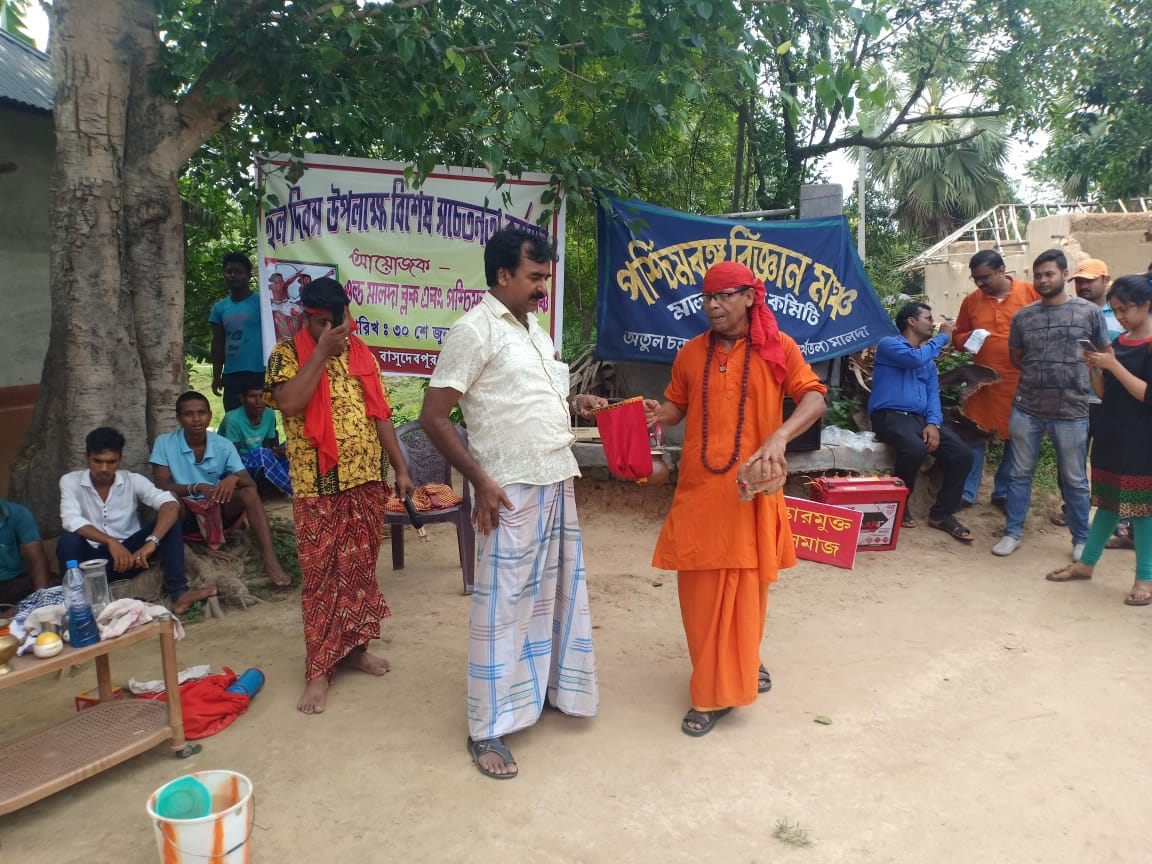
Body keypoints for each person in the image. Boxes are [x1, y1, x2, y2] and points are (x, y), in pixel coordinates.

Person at [420, 227, 605, 778]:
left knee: (551, 596)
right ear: (502, 275)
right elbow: (434, 416)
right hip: (507, 489)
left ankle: (542, 693)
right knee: (502, 608)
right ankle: (488, 729)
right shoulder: (473, 331)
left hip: (554, 480)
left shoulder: (535, 332)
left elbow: (523, 396)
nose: (542, 288)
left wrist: (576, 402)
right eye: (534, 277)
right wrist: (478, 479)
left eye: (545, 277)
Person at [643, 261, 827, 737]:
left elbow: (814, 398)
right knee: (700, 597)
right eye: (708, 298)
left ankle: (717, 694)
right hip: (700, 494)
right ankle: (736, 663)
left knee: (746, 595)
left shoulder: (777, 348)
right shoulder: (689, 354)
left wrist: (780, 437)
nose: (714, 306)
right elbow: (677, 408)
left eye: (724, 296)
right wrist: (655, 412)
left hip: (751, 492)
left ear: (750, 297)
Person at [266, 277, 414, 715]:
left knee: (359, 575)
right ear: (306, 317)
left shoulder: (362, 353)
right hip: (318, 487)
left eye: (340, 321)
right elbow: (289, 403)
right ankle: (318, 671)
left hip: (366, 482)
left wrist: (401, 469)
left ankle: (354, 650)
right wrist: (320, 356)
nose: (335, 329)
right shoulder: (286, 355)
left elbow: (381, 416)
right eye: (323, 323)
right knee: (321, 581)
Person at [1043, 275, 1152, 604]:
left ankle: (1145, 580)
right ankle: (1086, 565)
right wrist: (1095, 368)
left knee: (1143, 511)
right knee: (1107, 503)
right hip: (1111, 434)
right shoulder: (1119, 344)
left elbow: (1147, 395)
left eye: (1126, 310)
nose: (1120, 317)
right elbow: (1106, 393)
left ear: (1147, 305)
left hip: (1141, 440)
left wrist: (1113, 366)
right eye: (1116, 310)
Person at [993, 249, 1109, 559]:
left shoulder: (1089, 313)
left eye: (1050, 274)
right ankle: (1013, 532)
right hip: (1027, 407)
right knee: (1019, 474)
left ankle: (1081, 539)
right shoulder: (1024, 316)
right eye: (1038, 275)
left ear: (1064, 275)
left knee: (1074, 478)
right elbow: (1017, 358)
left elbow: (1103, 356)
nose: (1043, 280)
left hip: (1072, 410)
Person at [58, 427, 216, 615]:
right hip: (91, 563)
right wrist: (111, 542)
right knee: (68, 541)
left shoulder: (132, 480)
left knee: (170, 518)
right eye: (97, 461)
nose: (104, 468)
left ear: (120, 460)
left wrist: (151, 543)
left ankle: (179, 595)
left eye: (111, 462)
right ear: (87, 457)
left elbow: (170, 504)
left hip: (133, 558)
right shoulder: (70, 481)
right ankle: (78, 607)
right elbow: (70, 519)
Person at [150, 391, 291, 586]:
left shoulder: (222, 445)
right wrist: (195, 488)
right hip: (184, 513)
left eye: (201, 413)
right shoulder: (165, 443)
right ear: (179, 418)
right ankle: (175, 576)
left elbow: (249, 483)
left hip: (218, 507)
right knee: (169, 498)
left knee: (248, 492)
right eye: (189, 414)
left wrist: (233, 478)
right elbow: (161, 484)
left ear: (209, 415)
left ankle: (271, 560)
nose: (196, 419)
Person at [871, 302, 975, 541]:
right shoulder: (890, 345)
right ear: (911, 321)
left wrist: (933, 424)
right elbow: (914, 359)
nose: (932, 323)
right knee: (914, 448)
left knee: (962, 454)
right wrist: (943, 338)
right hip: (890, 415)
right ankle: (899, 505)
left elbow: (932, 397)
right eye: (928, 318)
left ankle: (941, 514)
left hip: (920, 419)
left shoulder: (926, 361)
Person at [953, 251, 1039, 509]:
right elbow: (958, 338)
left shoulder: (1030, 294)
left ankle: (1002, 492)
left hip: (1021, 383)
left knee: (1017, 437)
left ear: (1002, 270)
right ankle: (966, 492)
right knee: (974, 434)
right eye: (975, 279)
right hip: (983, 385)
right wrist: (969, 338)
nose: (980, 283)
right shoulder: (971, 301)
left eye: (984, 277)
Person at [1070, 258, 1132, 548]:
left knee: (1112, 462)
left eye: (1090, 280)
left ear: (1105, 280)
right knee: (1077, 462)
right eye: (1079, 281)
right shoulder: (1072, 312)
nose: (1083, 285)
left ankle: (1121, 521)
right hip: (1079, 397)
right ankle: (1076, 512)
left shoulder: (1121, 316)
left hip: (1114, 401)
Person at [210, 252, 265, 411]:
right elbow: (218, 344)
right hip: (232, 374)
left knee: (260, 418)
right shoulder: (219, 308)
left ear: (248, 276)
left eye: (238, 272)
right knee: (233, 418)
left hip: (259, 372)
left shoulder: (262, 303)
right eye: (229, 272)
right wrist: (216, 376)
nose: (233, 275)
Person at [217, 386, 293, 496]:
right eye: (252, 396)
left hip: (258, 463)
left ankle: (271, 486)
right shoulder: (232, 419)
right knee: (262, 454)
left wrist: (277, 451)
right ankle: (296, 491)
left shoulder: (269, 414)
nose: (259, 401)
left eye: (262, 396)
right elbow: (234, 459)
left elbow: (267, 446)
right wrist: (267, 454)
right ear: (242, 398)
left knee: (292, 446)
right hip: (234, 469)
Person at [0, 499, 51, 606]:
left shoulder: (18, 513)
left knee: (49, 589)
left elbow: (37, 559)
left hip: (14, 584)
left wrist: (41, 600)